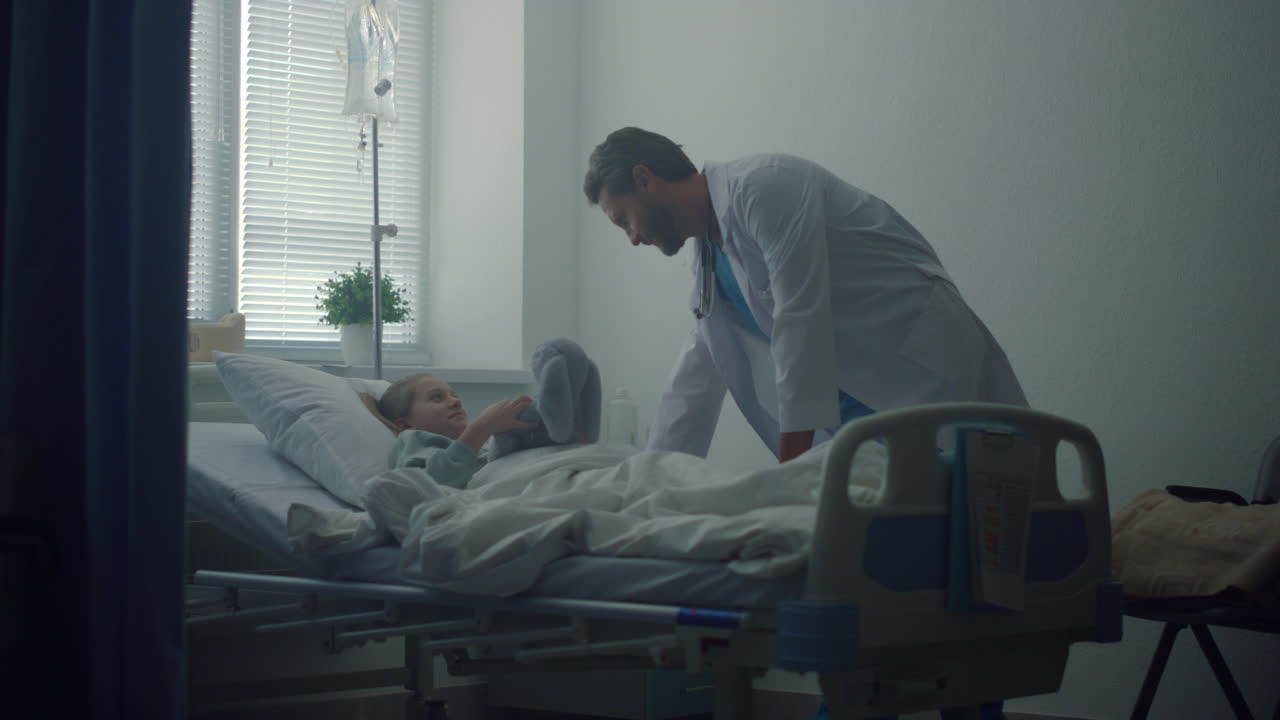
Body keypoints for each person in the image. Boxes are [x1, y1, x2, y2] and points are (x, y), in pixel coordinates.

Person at [583, 127, 1027, 463]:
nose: (633, 238)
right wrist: (656, 476)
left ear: (644, 180)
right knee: (884, 535)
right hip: (850, 399)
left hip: (917, 361)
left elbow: (801, 319)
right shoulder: (704, 257)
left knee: (975, 522)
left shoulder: (764, 186)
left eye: (623, 220)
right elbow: (698, 370)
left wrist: (791, 472)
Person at [364, 373, 539, 489]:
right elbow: (430, 486)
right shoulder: (413, 440)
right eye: (437, 397)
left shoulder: (484, 444)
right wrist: (482, 427)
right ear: (406, 425)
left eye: (454, 395)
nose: (456, 402)